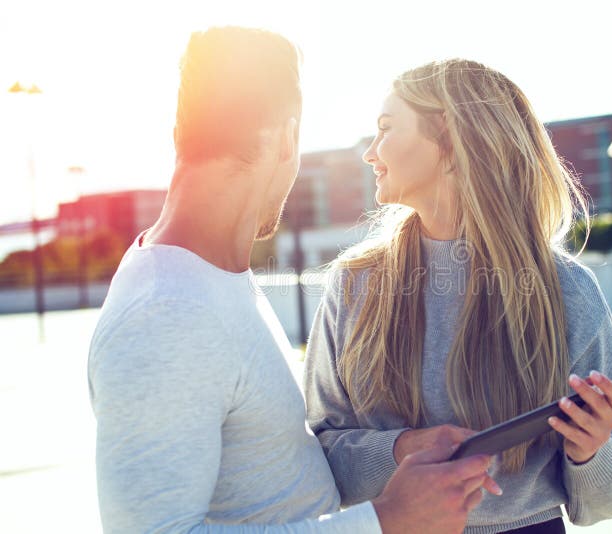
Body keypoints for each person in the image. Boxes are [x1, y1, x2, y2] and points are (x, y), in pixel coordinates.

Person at [88, 28, 500, 534]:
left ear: (180, 134)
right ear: (286, 139)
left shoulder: (212, 278)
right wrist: (386, 522)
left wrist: (398, 451)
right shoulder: (166, 314)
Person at [303, 59, 612, 533]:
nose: (370, 152)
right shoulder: (353, 284)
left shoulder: (567, 289)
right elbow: (317, 458)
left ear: (450, 141)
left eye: (386, 129)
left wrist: (591, 449)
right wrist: (405, 450)